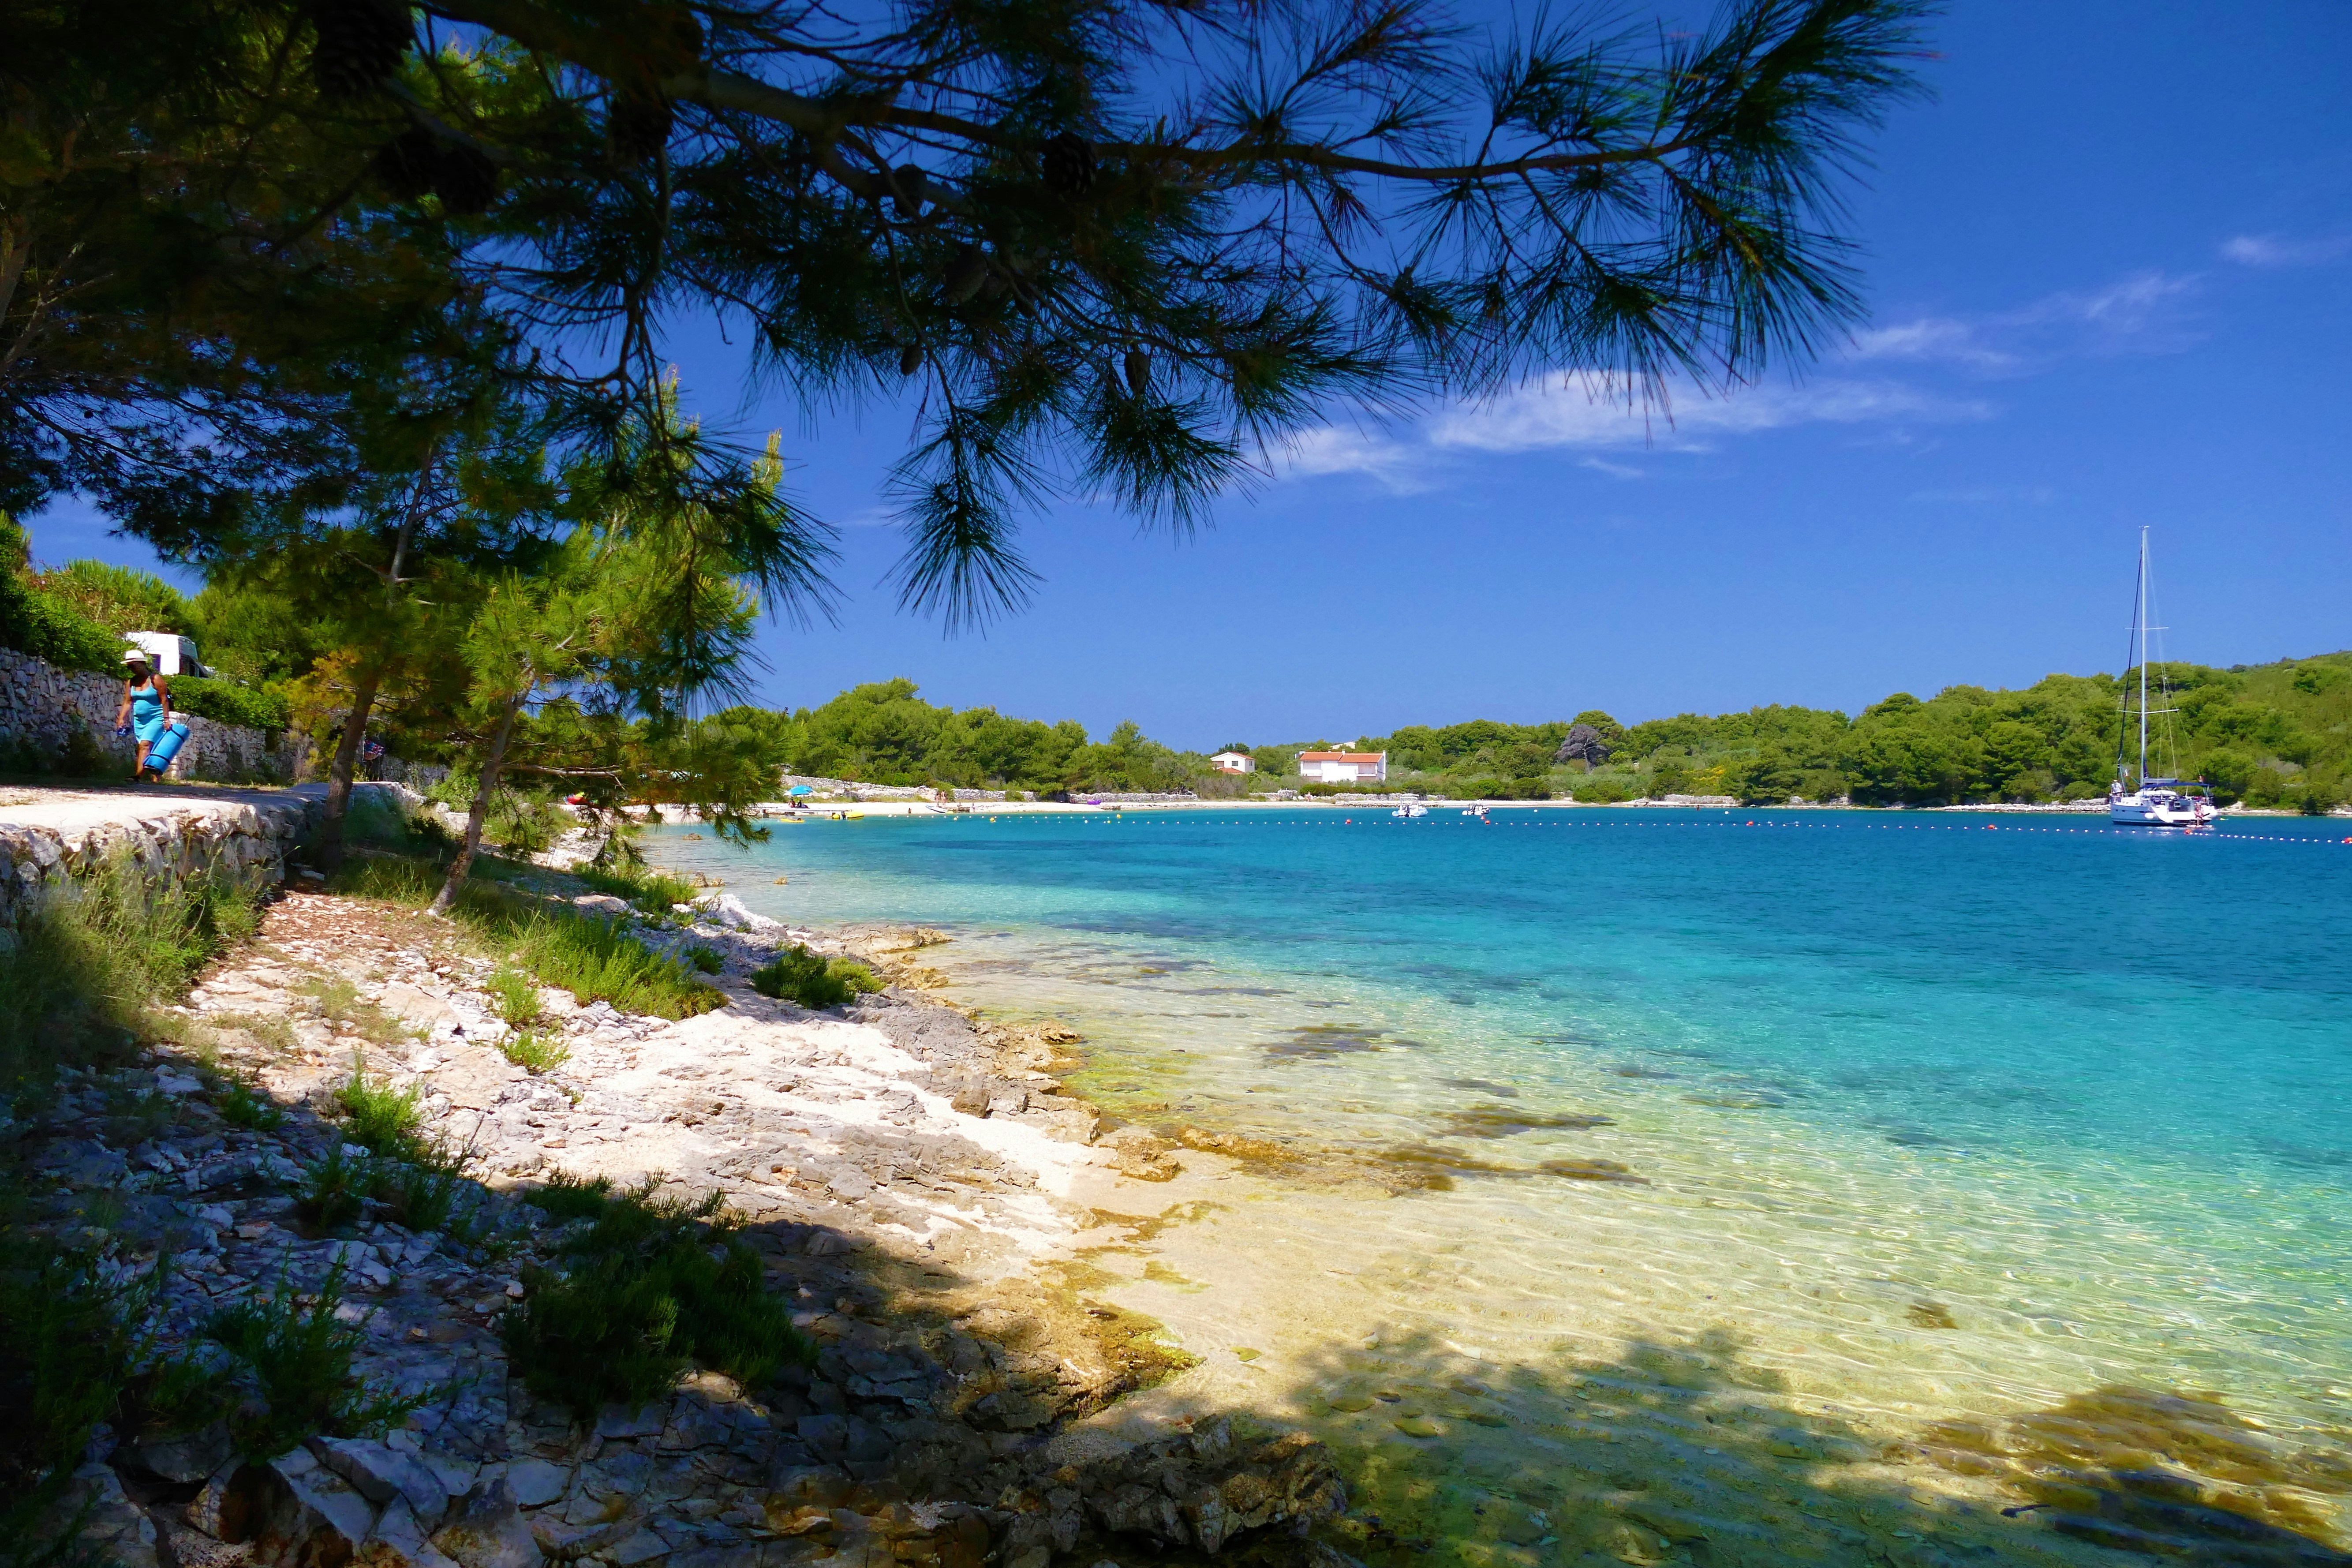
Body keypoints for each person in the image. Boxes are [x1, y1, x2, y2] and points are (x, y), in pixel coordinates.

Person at [113, 649, 174, 778]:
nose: (131, 669)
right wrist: (121, 718)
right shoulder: (131, 682)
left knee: (144, 745)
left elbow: (164, 700)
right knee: (147, 747)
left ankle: (138, 776)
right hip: (140, 720)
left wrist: (166, 719)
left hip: (156, 718)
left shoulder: (155, 679)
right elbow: (128, 702)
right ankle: (155, 777)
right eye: (129, 667)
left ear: (141, 664)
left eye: (133, 666)